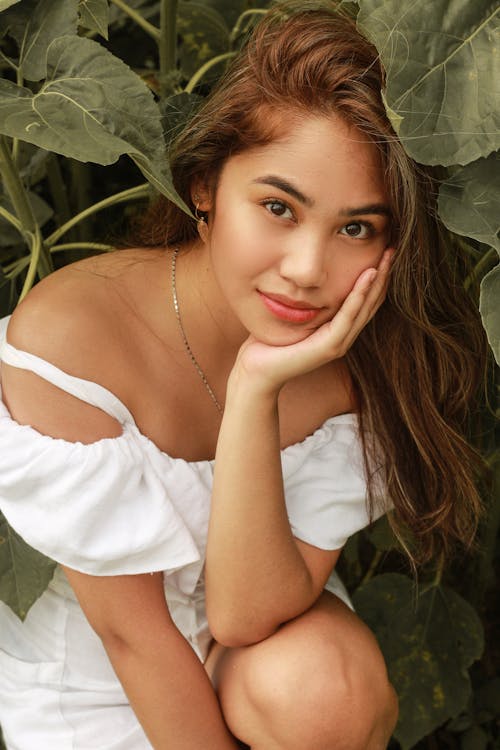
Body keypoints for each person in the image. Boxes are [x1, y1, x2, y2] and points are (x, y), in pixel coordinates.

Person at [0, 2, 485, 749]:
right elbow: (134, 639)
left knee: (325, 693)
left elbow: (243, 618)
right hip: (102, 678)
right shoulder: (74, 338)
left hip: (254, 654)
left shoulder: (349, 362)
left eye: (356, 227)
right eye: (278, 207)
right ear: (204, 187)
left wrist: (257, 389)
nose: (307, 271)